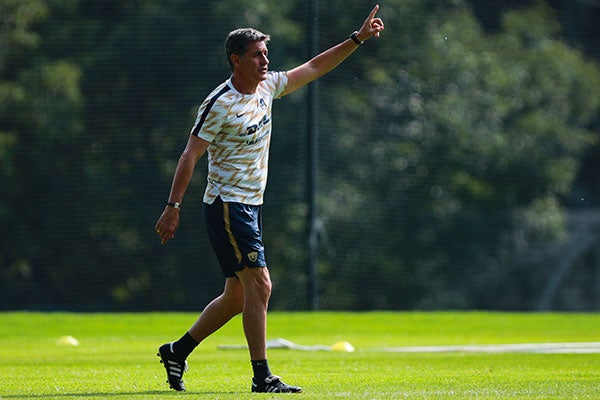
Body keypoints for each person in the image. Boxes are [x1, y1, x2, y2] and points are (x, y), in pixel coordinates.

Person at [154, 5, 384, 394]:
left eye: (266, 53)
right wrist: (172, 207)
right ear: (236, 60)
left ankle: (178, 350)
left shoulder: (267, 86)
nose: (266, 60)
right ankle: (262, 377)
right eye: (258, 54)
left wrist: (357, 39)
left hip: (249, 206)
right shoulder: (219, 103)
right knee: (261, 285)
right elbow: (189, 155)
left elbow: (312, 67)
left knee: (237, 295)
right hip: (228, 205)